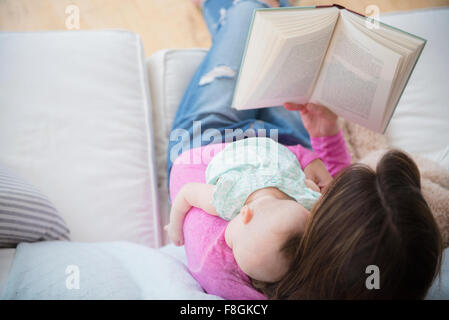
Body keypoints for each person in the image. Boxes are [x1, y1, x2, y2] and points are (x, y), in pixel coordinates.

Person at [165, 0, 443, 299]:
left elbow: (189, 191)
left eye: (327, 201)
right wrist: (326, 133)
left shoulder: (244, 259)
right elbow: (329, 179)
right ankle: (272, 8)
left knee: (250, 19)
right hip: (288, 149)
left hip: (210, 147)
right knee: (283, 52)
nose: (322, 190)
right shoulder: (339, 248)